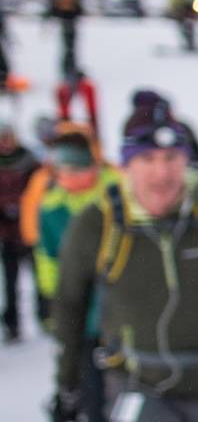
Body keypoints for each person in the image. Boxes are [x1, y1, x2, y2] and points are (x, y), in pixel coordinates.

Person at [49, 101, 198, 422]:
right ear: (126, 165)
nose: (161, 173)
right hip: (138, 386)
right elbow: (70, 304)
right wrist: (68, 384)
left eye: (171, 158)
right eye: (147, 159)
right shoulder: (99, 222)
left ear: (185, 159)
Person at [21, 122, 119, 421]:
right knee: (91, 388)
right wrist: (54, 300)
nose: (71, 178)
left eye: (77, 170)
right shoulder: (51, 207)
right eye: (64, 171)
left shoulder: (119, 192)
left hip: (125, 310)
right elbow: (48, 260)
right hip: (84, 316)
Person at [0, 124, 40, 342]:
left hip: (29, 229)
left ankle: (46, 316)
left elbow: (38, 190)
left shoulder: (28, 160)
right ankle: (12, 324)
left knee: (40, 278)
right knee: (10, 282)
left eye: (8, 137)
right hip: (7, 233)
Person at [47, 0, 83, 80]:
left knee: (69, 48)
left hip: (70, 23)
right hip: (66, 24)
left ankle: (69, 68)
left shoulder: (68, 0)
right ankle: (68, 68)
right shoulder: (63, 0)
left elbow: (78, 11)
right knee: (68, 48)